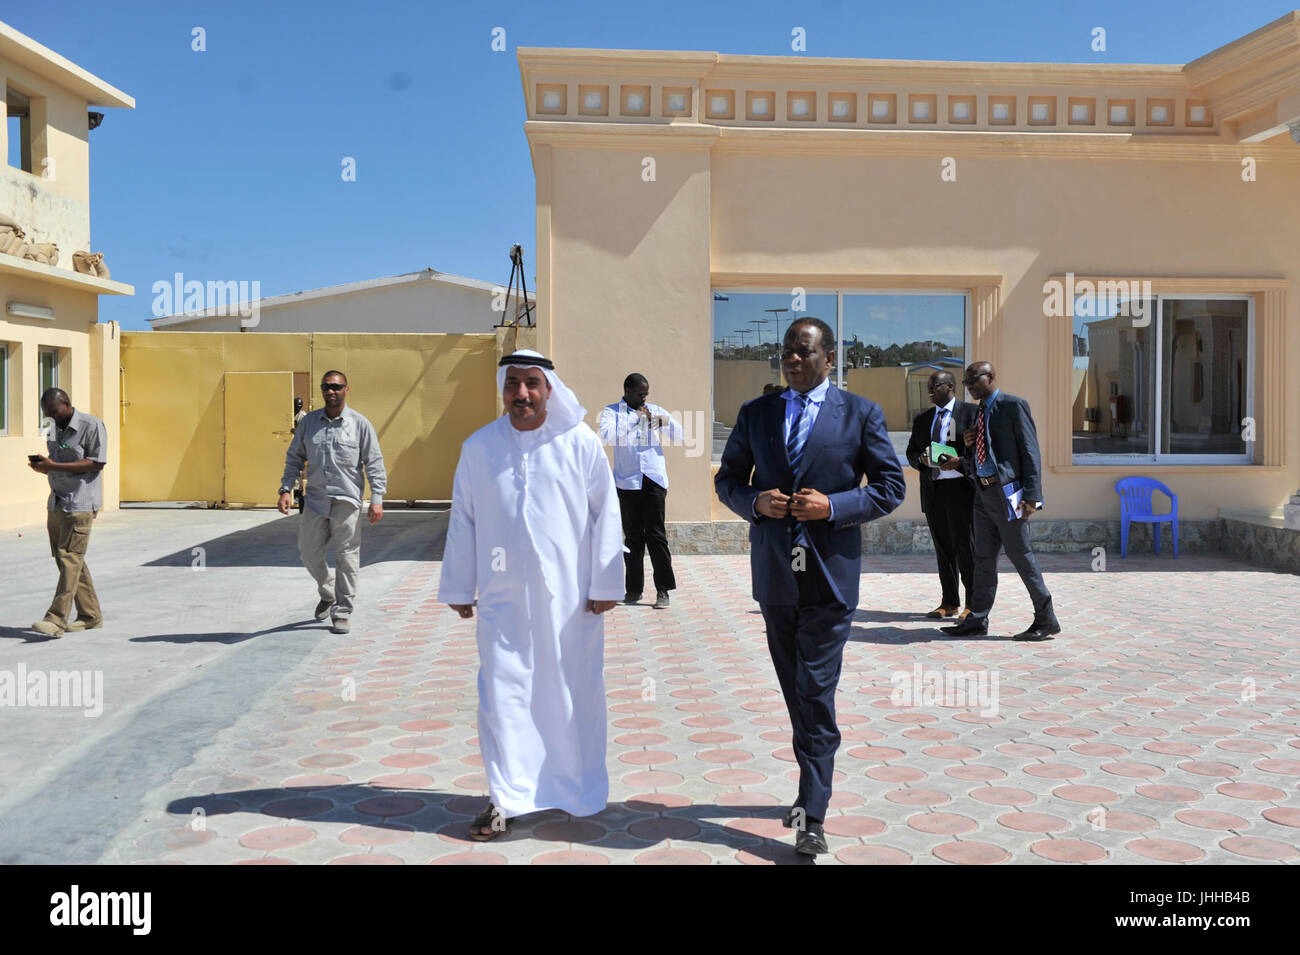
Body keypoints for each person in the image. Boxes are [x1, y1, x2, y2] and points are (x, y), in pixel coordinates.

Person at [716, 318, 905, 855]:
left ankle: (812, 814)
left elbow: (889, 488)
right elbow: (728, 479)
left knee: (815, 693)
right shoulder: (757, 414)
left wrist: (835, 506)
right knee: (797, 692)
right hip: (776, 578)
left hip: (829, 577)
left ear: (829, 357)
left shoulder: (860, 413)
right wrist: (754, 502)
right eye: (787, 354)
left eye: (803, 353)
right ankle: (813, 775)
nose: (793, 362)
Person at [440, 350, 623, 840]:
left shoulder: (579, 443)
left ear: (549, 390)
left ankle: (577, 791)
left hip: (570, 603)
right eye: (513, 383)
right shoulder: (478, 448)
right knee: (502, 697)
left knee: (570, 696)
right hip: (503, 604)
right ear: (503, 388)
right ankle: (506, 797)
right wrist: (460, 584)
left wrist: (606, 584)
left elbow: (607, 513)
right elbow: (464, 519)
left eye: (532, 384)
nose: (522, 394)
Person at [942, 361, 1060, 641]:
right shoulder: (979, 412)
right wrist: (968, 449)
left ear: (991, 377)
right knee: (983, 559)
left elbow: (1030, 453)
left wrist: (1033, 496)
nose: (969, 386)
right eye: (966, 381)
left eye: (973, 380)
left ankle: (1046, 618)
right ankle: (977, 619)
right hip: (982, 495)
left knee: (1021, 557)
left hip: (1008, 496)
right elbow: (985, 457)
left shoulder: (1013, 405)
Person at [277, 370, 386, 635]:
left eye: (336, 387)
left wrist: (377, 498)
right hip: (315, 500)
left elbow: (374, 462)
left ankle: (342, 611)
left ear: (346, 390)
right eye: (326, 386)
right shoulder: (309, 423)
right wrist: (285, 489)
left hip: (346, 501)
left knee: (347, 556)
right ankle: (327, 591)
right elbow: (294, 458)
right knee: (308, 551)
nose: (331, 391)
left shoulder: (360, 424)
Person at [597, 373, 683, 609]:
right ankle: (633, 589)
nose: (644, 398)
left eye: (646, 393)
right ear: (627, 391)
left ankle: (663, 590)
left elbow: (680, 435)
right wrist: (635, 421)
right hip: (627, 482)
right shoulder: (611, 412)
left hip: (653, 479)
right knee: (633, 537)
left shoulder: (654, 410)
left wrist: (661, 421)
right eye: (640, 393)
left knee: (656, 536)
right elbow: (606, 436)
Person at [26, 388, 107, 637]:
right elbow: (56, 459)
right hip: (58, 502)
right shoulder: (54, 428)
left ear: (67, 404)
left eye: (54, 411)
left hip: (79, 503)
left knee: (70, 558)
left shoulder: (91, 425)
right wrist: (44, 467)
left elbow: (97, 462)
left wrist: (54, 466)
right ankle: (90, 615)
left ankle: (56, 619)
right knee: (69, 560)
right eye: (47, 414)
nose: (51, 416)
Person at [905, 370, 977, 620]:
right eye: (929, 386)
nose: (929, 391)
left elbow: (983, 454)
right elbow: (911, 452)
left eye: (934, 386)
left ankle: (973, 605)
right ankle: (949, 603)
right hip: (934, 492)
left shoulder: (971, 414)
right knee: (944, 549)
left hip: (962, 491)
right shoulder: (923, 419)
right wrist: (922, 460)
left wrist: (961, 463)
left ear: (950, 386)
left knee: (965, 548)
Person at [290, 397, 308, 511]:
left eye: (300, 405)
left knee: (299, 471)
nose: (298, 407)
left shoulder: (303, 416)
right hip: (289, 445)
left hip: (299, 446)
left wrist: (295, 431)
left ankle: (297, 495)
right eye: (296, 404)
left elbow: (304, 431)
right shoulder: (289, 412)